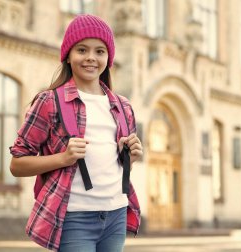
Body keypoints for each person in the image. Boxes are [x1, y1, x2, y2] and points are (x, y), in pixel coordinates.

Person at [9, 14, 143, 252]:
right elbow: (17, 165)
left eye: (100, 51)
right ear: (68, 57)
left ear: (108, 58)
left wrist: (130, 155)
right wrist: (63, 158)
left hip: (116, 214)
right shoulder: (49, 102)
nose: (91, 58)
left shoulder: (123, 106)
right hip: (74, 217)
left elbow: (116, 166)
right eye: (82, 50)